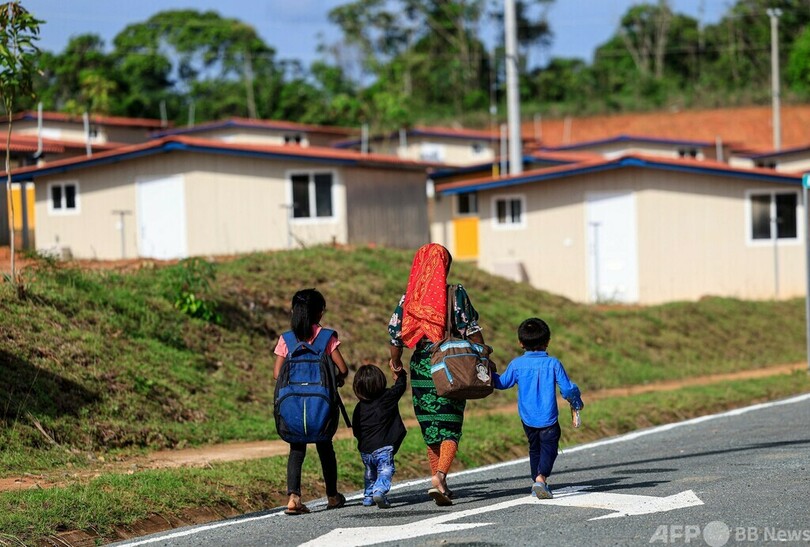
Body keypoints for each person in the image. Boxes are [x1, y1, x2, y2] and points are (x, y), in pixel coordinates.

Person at [388, 243, 486, 506]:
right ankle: (440, 476)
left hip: (421, 367)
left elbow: (395, 335)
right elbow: (470, 328)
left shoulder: (409, 298)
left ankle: (438, 481)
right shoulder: (456, 293)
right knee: (450, 425)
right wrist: (483, 353)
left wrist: (395, 363)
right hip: (449, 366)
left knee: (431, 426)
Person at [273, 288, 349, 515]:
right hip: (321, 406)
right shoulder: (327, 337)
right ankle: (333, 496)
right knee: (325, 447)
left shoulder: (286, 339)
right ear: (319, 313)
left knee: (296, 449)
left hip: (294, 406)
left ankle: (293, 498)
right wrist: (335, 380)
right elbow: (343, 369)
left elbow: (277, 374)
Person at [492, 317, 584, 500]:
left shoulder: (517, 364)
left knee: (534, 448)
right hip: (548, 418)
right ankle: (541, 478)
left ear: (520, 342)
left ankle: (537, 482)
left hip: (527, 418)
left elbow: (502, 383)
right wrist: (576, 402)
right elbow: (566, 389)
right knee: (549, 448)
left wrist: (487, 373)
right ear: (548, 341)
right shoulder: (553, 363)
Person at [351, 363, 407, 509]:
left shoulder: (359, 406)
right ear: (380, 381)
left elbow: (356, 428)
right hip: (383, 447)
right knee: (385, 470)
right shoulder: (386, 397)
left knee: (370, 472)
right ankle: (379, 490)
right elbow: (400, 388)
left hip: (365, 449)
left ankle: (368, 496)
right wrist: (400, 374)